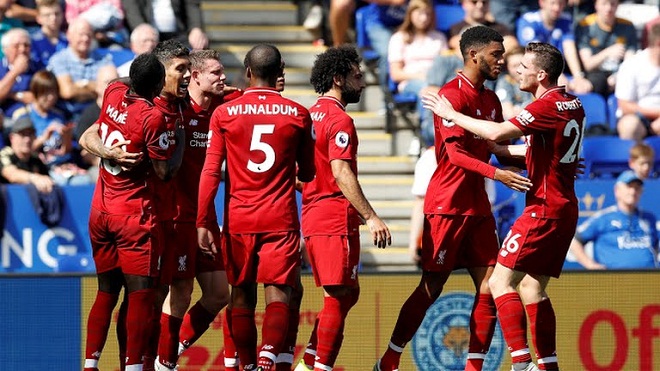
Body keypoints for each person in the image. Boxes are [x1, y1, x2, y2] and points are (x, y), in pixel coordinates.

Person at [374, 26, 532, 371]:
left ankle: (476, 366)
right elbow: (456, 155)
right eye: (496, 54)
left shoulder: (491, 99)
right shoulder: (451, 96)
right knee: (431, 287)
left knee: (490, 285)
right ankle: (389, 359)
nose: (501, 61)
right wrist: (497, 174)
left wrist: (540, 162)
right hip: (447, 204)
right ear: (474, 55)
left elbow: (496, 149)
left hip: (478, 207)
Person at [423, 41, 585, 371]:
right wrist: (541, 161)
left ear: (541, 74)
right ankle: (547, 366)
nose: (516, 70)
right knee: (531, 286)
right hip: (565, 206)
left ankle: (521, 363)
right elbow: (532, 149)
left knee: (498, 283)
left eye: (523, 67)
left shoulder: (545, 106)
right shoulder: (573, 103)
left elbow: (498, 131)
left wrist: (452, 114)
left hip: (542, 208)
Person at [196, 44, 315, 371]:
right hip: (280, 218)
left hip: (239, 219)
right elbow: (307, 173)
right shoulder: (299, 114)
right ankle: (268, 357)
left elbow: (210, 171)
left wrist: (204, 220)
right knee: (280, 294)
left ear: (247, 72)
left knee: (242, 296)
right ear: (280, 72)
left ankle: (248, 364)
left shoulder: (224, 114)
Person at [79, 52, 184, 371]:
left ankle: (90, 363)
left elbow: (120, 86)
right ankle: (135, 366)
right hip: (133, 217)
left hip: (101, 210)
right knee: (141, 295)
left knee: (106, 291)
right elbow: (165, 173)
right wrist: (179, 138)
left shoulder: (112, 91)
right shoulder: (152, 116)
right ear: (155, 85)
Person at [295, 45, 391, 371]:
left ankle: (309, 362)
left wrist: (313, 186)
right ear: (338, 79)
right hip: (335, 216)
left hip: (313, 214)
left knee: (348, 293)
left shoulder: (306, 116)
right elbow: (341, 171)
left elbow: (297, 173)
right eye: (357, 76)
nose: (362, 83)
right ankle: (320, 366)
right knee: (338, 296)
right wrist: (371, 215)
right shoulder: (339, 120)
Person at [154, 49, 230, 371]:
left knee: (218, 294)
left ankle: (168, 352)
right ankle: (163, 363)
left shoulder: (226, 108)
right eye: (215, 73)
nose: (223, 78)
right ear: (195, 77)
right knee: (181, 292)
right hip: (179, 217)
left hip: (206, 217)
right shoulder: (178, 110)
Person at [569, 170, 658, 270]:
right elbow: (575, 240)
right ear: (617, 190)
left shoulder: (649, 218)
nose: (633, 192)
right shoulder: (604, 217)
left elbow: (655, 246)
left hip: (648, 278)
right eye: (629, 187)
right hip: (613, 280)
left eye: (637, 188)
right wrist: (590, 265)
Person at [516, 0, 593, 94]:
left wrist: (578, 77)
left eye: (560, 4)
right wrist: (556, 75)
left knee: (585, 87)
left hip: (559, 71)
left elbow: (569, 48)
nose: (557, 8)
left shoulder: (565, 20)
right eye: (553, 3)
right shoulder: (528, 21)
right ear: (542, 3)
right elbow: (537, 54)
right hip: (534, 72)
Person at [47, 17, 115, 121]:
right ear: (69, 36)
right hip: (69, 116)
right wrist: (96, 87)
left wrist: (81, 84)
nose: (85, 39)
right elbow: (67, 91)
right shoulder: (59, 60)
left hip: (98, 113)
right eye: (81, 34)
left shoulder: (103, 60)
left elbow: (111, 89)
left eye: (88, 35)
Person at [574, 0, 638, 98]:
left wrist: (618, 76)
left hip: (619, 73)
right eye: (604, 4)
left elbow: (630, 60)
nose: (608, 8)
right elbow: (588, 65)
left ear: (618, 5)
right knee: (597, 82)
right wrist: (608, 52)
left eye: (613, 4)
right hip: (595, 74)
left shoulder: (627, 26)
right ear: (596, 5)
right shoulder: (585, 25)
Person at [388, 0, 448, 98]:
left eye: (427, 14)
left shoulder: (439, 37)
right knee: (429, 91)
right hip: (411, 81)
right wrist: (421, 76)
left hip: (438, 80)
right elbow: (395, 74)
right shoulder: (399, 38)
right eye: (420, 13)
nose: (424, 18)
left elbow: (445, 64)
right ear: (410, 14)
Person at [614, 23, 660, 141]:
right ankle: (632, 159)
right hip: (638, 117)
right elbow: (624, 105)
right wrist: (656, 114)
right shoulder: (632, 65)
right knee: (629, 126)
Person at [121, 0, 208, 50]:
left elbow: (192, 4)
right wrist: (140, 27)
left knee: (199, 48)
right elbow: (131, 6)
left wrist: (196, 28)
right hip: (149, 33)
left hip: (179, 33)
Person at [0, 115, 53, 193]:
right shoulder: (4, 154)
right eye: (22, 134)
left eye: (30, 134)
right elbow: (12, 175)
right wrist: (34, 178)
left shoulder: (35, 159)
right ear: (12, 138)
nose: (27, 139)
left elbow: (47, 180)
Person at [0, 27, 39, 123]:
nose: (22, 49)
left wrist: (8, 94)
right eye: (16, 46)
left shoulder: (38, 68)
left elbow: (41, 97)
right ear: (5, 49)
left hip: (34, 116)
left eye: (26, 45)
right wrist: (16, 71)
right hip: (6, 119)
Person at [448, 0, 519, 53]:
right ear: (464, 4)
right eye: (474, 2)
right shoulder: (455, 28)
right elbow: (455, 45)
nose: (480, 5)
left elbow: (512, 44)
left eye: (484, 2)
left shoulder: (500, 28)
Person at [495, 46, 534, 120]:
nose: (518, 70)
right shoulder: (505, 82)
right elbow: (509, 114)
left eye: (521, 65)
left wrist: (518, 110)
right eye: (514, 66)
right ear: (508, 68)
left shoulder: (537, 79)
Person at [30, 0, 67, 69]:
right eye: (47, 15)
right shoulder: (31, 42)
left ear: (63, 15)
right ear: (38, 18)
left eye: (57, 14)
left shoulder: (69, 41)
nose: (53, 18)